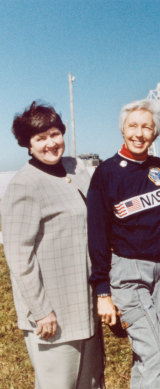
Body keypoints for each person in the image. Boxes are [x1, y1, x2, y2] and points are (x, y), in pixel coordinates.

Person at [2, 101, 103, 388]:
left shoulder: (75, 168)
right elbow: (19, 256)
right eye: (40, 138)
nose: (50, 143)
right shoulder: (25, 184)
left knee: (91, 383)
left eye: (55, 134)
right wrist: (41, 310)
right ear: (28, 144)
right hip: (54, 313)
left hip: (85, 304)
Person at [87, 99, 160, 388]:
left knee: (155, 352)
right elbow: (98, 233)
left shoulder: (159, 168)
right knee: (154, 356)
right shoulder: (107, 172)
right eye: (133, 126)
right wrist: (102, 290)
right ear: (123, 129)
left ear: (155, 134)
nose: (139, 134)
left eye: (146, 128)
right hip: (129, 273)